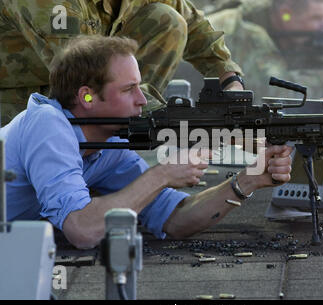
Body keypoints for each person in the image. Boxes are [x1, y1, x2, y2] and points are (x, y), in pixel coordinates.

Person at [2, 35, 293, 249]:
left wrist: (248, 180)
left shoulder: (109, 144)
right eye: (129, 89)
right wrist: (162, 174)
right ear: (86, 97)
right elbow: (83, 230)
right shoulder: (47, 124)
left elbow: (176, 220)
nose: (142, 100)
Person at [0, 0, 244, 126]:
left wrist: (229, 79)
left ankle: (119, 134)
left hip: (84, 91)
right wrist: (165, 115)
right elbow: (80, 70)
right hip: (18, 106)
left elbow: (193, 24)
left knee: (167, 19)